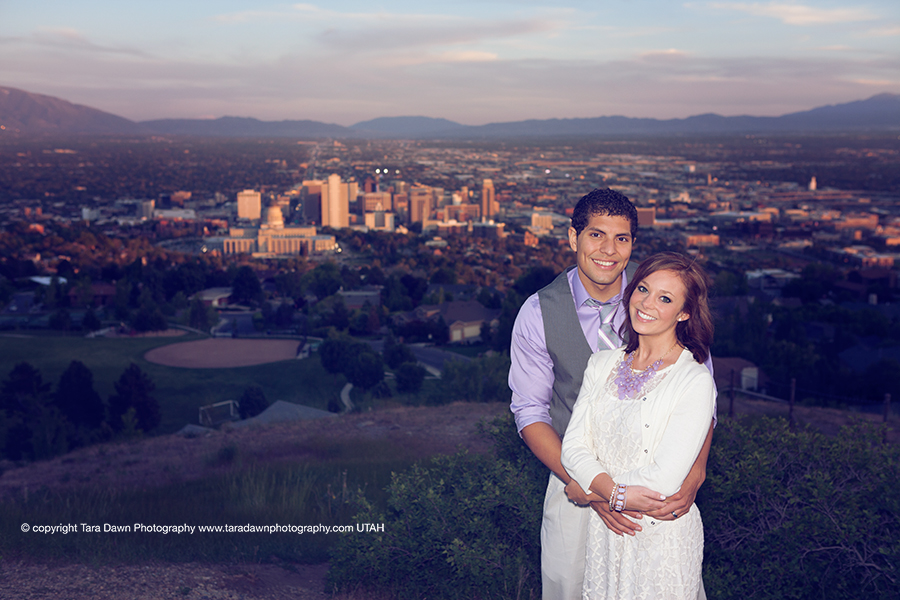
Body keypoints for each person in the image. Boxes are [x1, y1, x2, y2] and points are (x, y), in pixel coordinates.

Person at [509, 189, 714, 600]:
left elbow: (701, 401)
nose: (608, 250)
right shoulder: (537, 312)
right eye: (596, 235)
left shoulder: (660, 293)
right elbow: (530, 412)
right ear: (573, 239)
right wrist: (593, 487)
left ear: (633, 244)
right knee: (569, 588)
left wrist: (696, 473)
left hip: (657, 484)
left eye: (621, 238)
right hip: (572, 482)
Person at [561, 252, 716, 599]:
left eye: (665, 298)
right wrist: (613, 495)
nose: (646, 304)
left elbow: (664, 480)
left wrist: (589, 491)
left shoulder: (693, 379)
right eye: (643, 289)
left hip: (659, 538)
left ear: (685, 312)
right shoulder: (601, 364)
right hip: (607, 531)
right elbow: (573, 448)